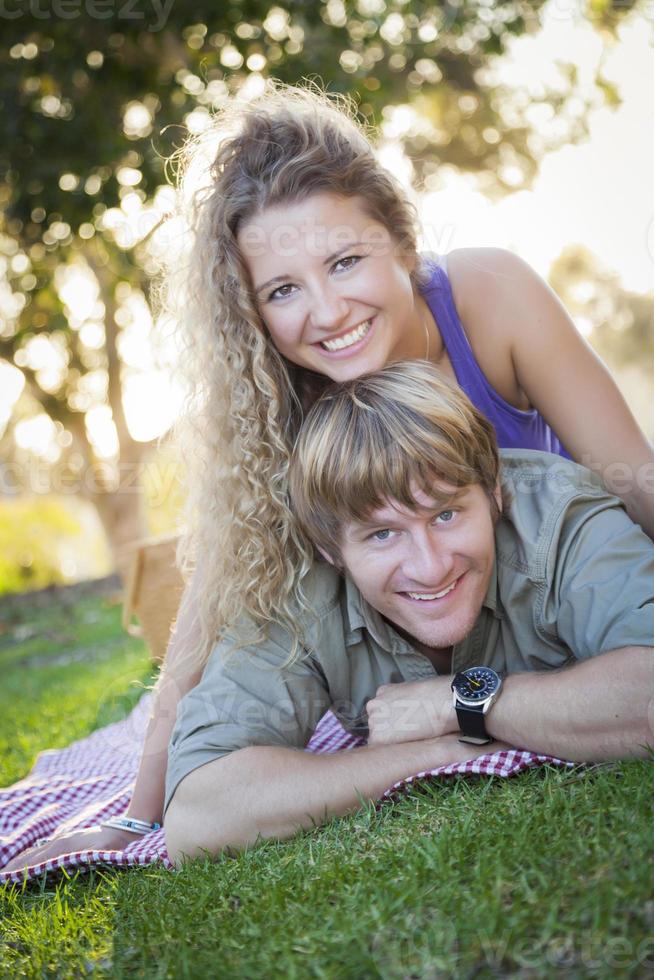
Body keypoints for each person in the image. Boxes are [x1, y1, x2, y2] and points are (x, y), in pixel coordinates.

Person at [5, 80, 654, 871]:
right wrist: (144, 814)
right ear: (253, 313)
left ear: (404, 246)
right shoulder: (273, 405)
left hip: (556, 611)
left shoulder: (490, 297)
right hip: (417, 648)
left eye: (345, 261)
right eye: (283, 290)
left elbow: (633, 480)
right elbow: (203, 620)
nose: (327, 312)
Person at [163, 361, 654, 862]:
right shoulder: (296, 586)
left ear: (493, 493)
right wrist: (439, 751)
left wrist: (455, 704)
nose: (430, 566)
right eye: (382, 534)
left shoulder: (561, 515)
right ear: (330, 548)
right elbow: (198, 815)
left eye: (446, 514)